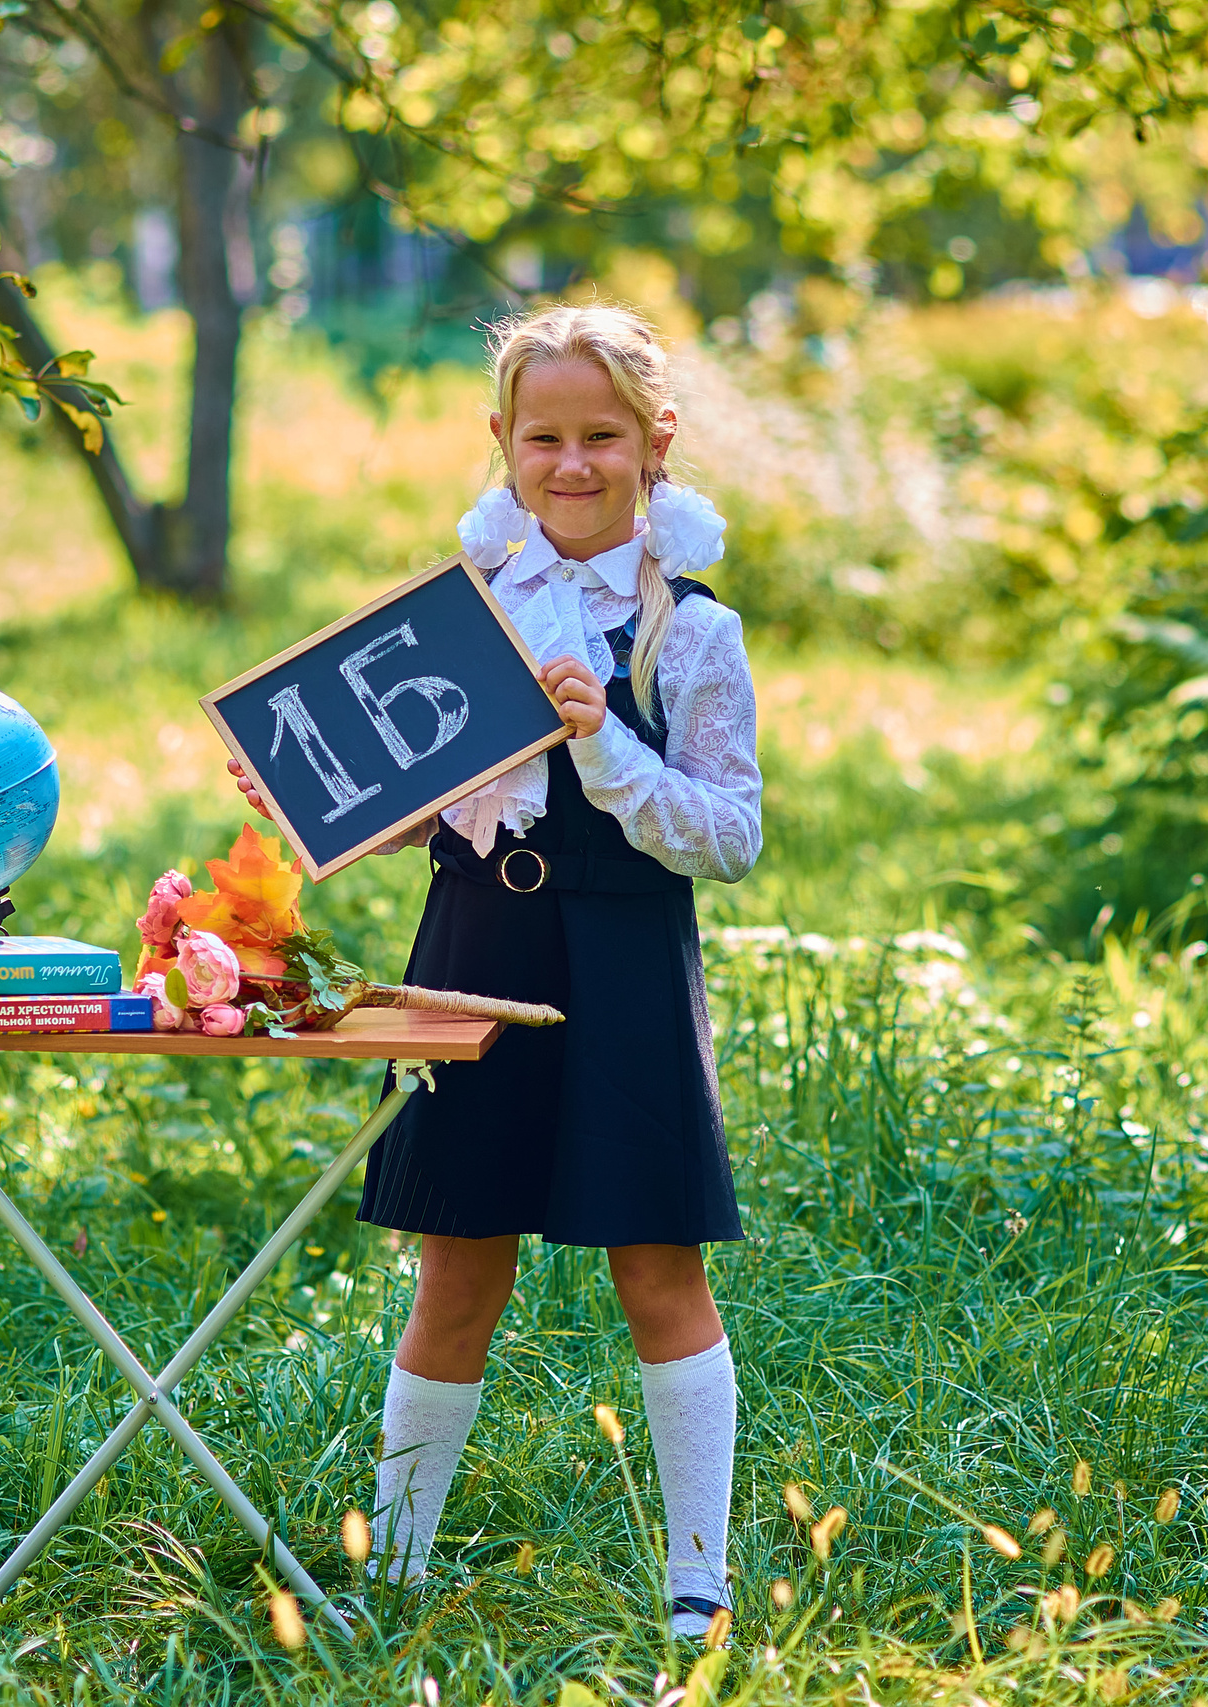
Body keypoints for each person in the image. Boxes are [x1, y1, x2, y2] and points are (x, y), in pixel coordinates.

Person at [227, 301, 761, 1639]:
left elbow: (731, 833)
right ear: (501, 444)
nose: (571, 463)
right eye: (544, 438)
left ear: (656, 442)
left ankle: (698, 1583)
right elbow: (412, 803)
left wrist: (605, 748)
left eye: (602, 436)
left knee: (656, 1262)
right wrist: (304, 791)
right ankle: (395, 1574)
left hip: (625, 952)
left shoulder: (690, 630)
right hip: (472, 943)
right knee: (456, 1260)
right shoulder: (456, 621)